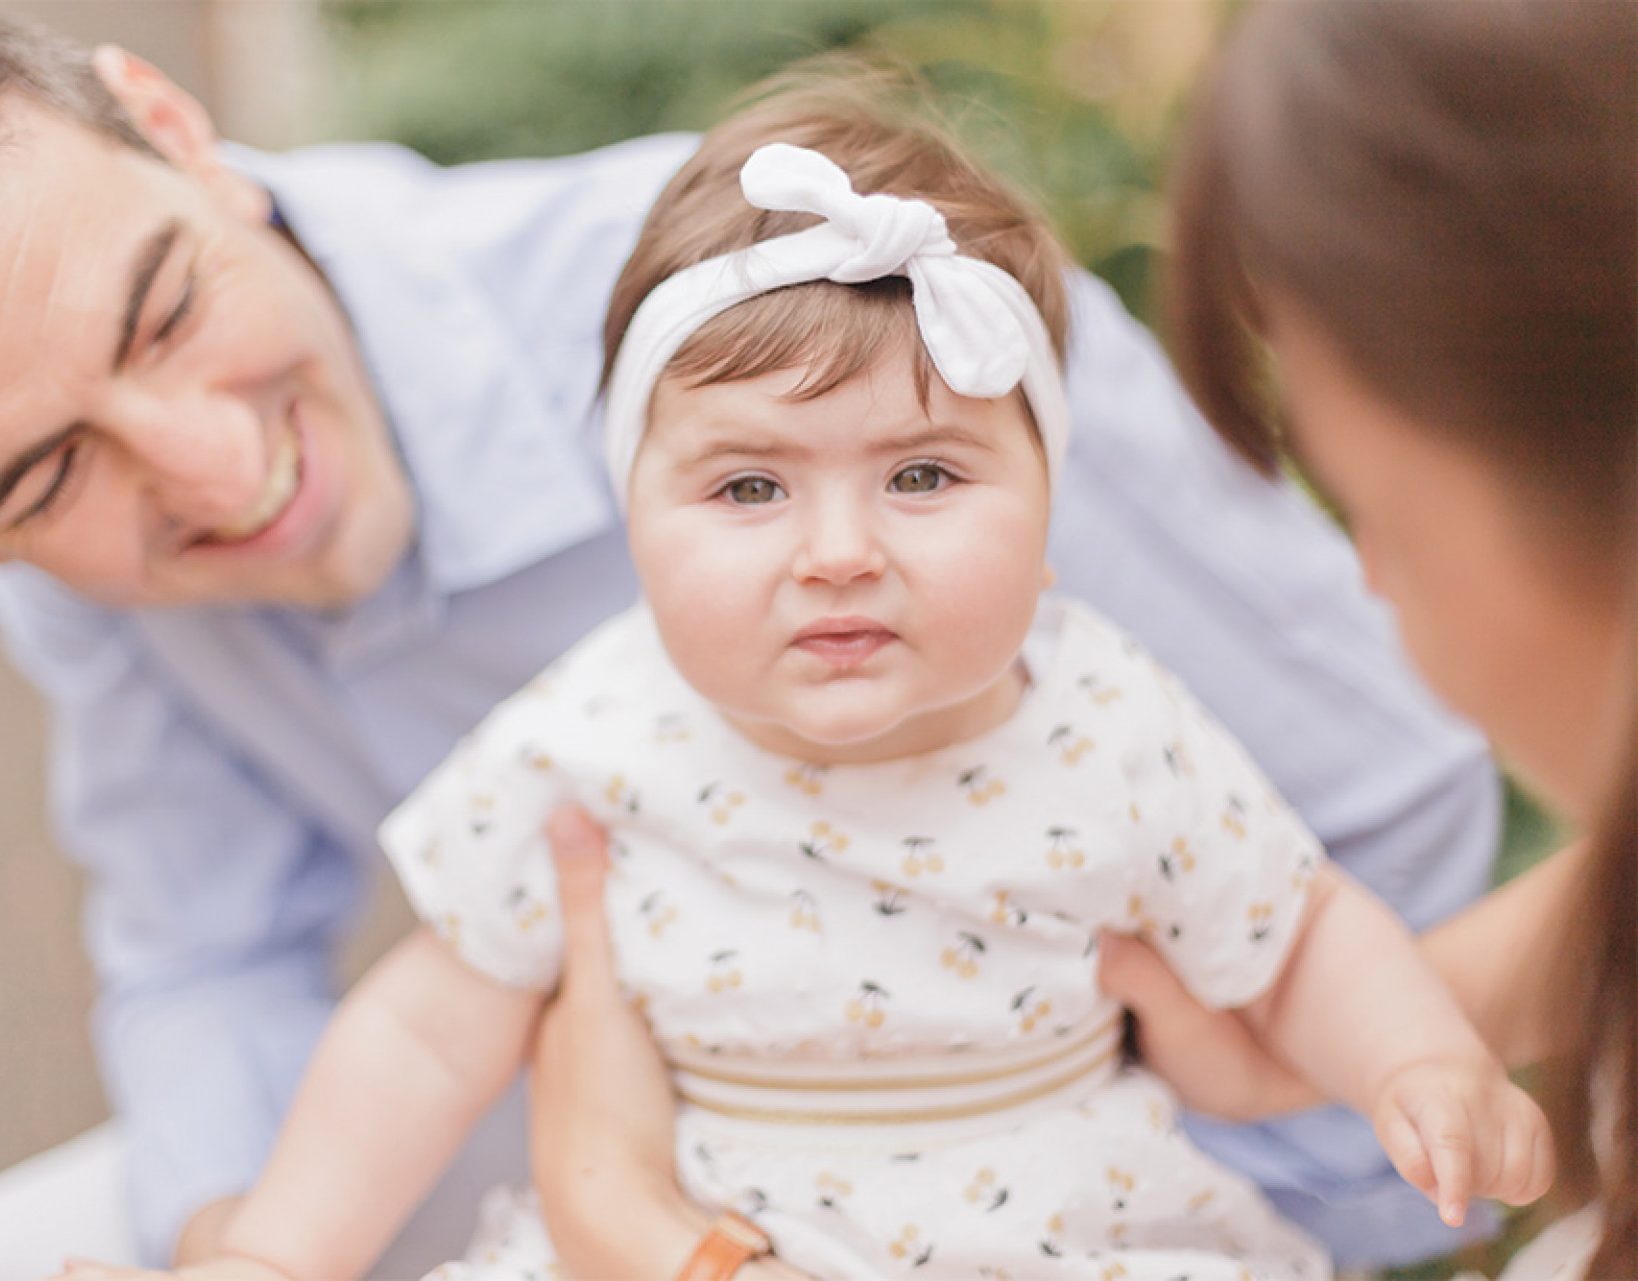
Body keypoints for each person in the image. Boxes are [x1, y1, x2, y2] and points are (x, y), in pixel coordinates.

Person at [0, 1, 1504, 1273]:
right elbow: (222, 956)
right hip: (666, 1114)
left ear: (180, 130)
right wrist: (242, 1248)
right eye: (43, 476)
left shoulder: (836, 337)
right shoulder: (593, 723)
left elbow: (1385, 836)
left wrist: (1284, 1160)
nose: (213, 467)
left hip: (1111, 1156)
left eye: (170, 309)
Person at [520, 1, 1638, 1277]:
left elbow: (1304, 920)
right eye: (750, 490)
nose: (838, 550)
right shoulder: (593, 728)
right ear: (635, 527)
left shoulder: (1103, 712)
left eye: (925, 478)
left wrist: (1418, 1053)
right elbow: (419, 1030)